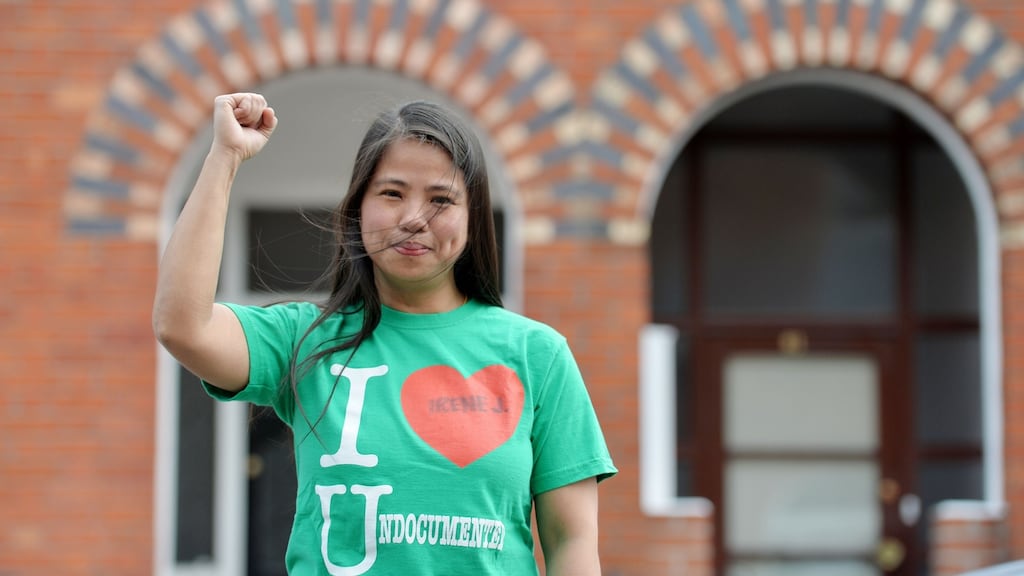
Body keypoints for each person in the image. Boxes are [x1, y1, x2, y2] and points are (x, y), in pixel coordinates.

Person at [153, 92, 617, 575]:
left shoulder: (537, 355)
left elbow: (572, 542)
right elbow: (183, 325)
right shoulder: (304, 339)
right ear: (358, 208)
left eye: (441, 200)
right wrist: (224, 157)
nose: (414, 218)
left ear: (472, 218)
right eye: (392, 193)